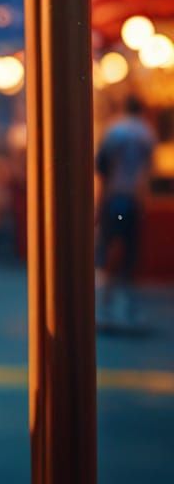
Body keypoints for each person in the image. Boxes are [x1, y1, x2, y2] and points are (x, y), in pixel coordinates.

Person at [95, 93, 155, 327]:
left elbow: (102, 166)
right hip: (134, 198)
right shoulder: (146, 133)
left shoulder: (114, 130)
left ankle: (107, 302)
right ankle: (127, 303)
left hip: (115, 197)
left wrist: (101, 198)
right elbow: (147, 169)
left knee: (113, 245)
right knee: (130, 249)